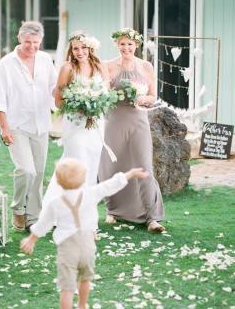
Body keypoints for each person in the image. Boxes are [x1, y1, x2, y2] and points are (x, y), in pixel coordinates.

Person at [21, 157, 148, 309]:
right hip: (87, 243)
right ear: (83, 179)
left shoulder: (55, 203)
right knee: (85, 279)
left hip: (67, 247)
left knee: (67, 287)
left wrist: (31, 239)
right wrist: (130, 174)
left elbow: (44, 224)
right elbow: (110, 185)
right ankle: (82, 305)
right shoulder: (90, 193)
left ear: (58, 182)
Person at [98, 28, 165, 233]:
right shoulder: (106, 66)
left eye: (130, 44)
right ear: (116, 45)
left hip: (138, 119)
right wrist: (112, 93)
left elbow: (153, 95)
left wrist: (145, 98)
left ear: (136, 45)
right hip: (114, 120)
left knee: (144, 165)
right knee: (112, 166)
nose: (126, 47)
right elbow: (102, 93)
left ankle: (152, 217)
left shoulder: (146, 66)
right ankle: (113, 211)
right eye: (122, 44)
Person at [0, 21, 57, 231]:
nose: (32, 46)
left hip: (41, 124)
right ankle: (18, 209)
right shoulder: (6, 63)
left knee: (38, 173)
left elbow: (54, 88)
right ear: (19, 39)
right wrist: (4, 128)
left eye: (36, 42)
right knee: (26, 170)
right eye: (28, 41)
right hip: (16, 125)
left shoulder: (46, 59)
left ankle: (33, 216)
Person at [42, 31, 109, 207]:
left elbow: (106, 94)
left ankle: (85, 212)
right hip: (75, 123)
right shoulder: (67, 68)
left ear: (90, 48)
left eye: (83, 48)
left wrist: (95, 105)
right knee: (76, 163)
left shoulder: (100, 66)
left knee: (92, 164)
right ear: (71, 50)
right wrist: (78, 105)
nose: (80, 52)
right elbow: (58, 102)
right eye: (75, 48)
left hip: (95, 123)